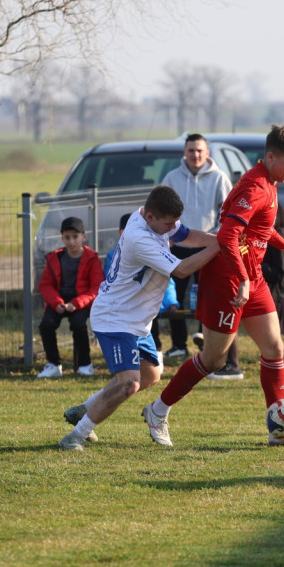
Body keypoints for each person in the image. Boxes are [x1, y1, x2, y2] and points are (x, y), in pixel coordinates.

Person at [145, 125, 284, 447]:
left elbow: (260, 228)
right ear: (270, 157)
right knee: (214, 360)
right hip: (228, 278)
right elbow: (227, 235)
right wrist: (241, 279)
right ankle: (158, 410)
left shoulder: (270, 179)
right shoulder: (255, 186)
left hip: (250, 276)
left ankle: (279, 430)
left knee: (274, 349)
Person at [58, 186, 219, 451]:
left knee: (151, 375)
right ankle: (76, 435)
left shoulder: (152, 218)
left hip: (137, 320)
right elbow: (181, 270)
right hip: (115, 318)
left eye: (173, 222)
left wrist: (217, 238)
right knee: (129, 384)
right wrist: (221, 246)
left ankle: (86, 408)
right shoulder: (139, 237)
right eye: (167, 223)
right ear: (150, 217)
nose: (171, 228)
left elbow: (186, 235)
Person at [161, 133, 243, 380]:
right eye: (190, 150)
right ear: (184, 153)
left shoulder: (219, 178)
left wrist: (217, 240)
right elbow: (162, 209)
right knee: (173, 296)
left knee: (207, 297)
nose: (195, 155)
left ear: (207, 153)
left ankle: (204, 340)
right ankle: (177, 345)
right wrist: (169, 234)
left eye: (199, 150)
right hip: (178, 244)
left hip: (209, 246)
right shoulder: (172, 178)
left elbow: (228, 212)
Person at [104, 213, 178, 371]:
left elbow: (168, 279)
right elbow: (111, 280)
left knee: (152, 327)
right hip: (125, 308)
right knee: (128, 379)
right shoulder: (116, 254)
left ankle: (157, 354)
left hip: (148, 305)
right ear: (120, 233)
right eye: (125, 231)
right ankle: (130, 364)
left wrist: (170, 301)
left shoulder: (152, 248)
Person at [36, 217, 104, 378]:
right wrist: (57, 303)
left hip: (81, 302)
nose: (71, 241)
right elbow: (45, 286)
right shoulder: (54, 258)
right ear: (62, 238)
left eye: (75, 237)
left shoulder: (92, 258)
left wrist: (77, 303)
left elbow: (96, 288)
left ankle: (85, 364)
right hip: (59, 301)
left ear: (83, 237)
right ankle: (53, 365)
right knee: (46, 325)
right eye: (67, 237)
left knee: (78, 324)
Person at [261, 204, 284, 335]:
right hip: (271, 297)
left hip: (278, 299)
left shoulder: (280, 236)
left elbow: (280, 273)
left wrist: (256, 266)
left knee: (274, 346)